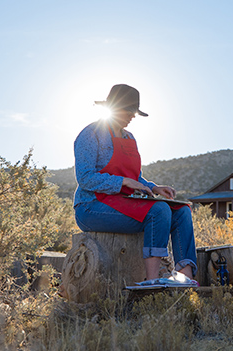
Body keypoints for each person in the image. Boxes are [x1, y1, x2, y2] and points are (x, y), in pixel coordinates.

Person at [73, 84, 198, 284]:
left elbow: (135, 177)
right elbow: (85, 178)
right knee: (159, 211)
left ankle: (185, 277)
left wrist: (153, 187)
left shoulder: (129, 137)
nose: (132, 116)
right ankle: (152, 280)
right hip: (91, 207)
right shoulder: (90, 135)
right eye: (129, 111)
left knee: (181, 211)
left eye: (134, 112)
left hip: (122, 203)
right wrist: (123, 181)